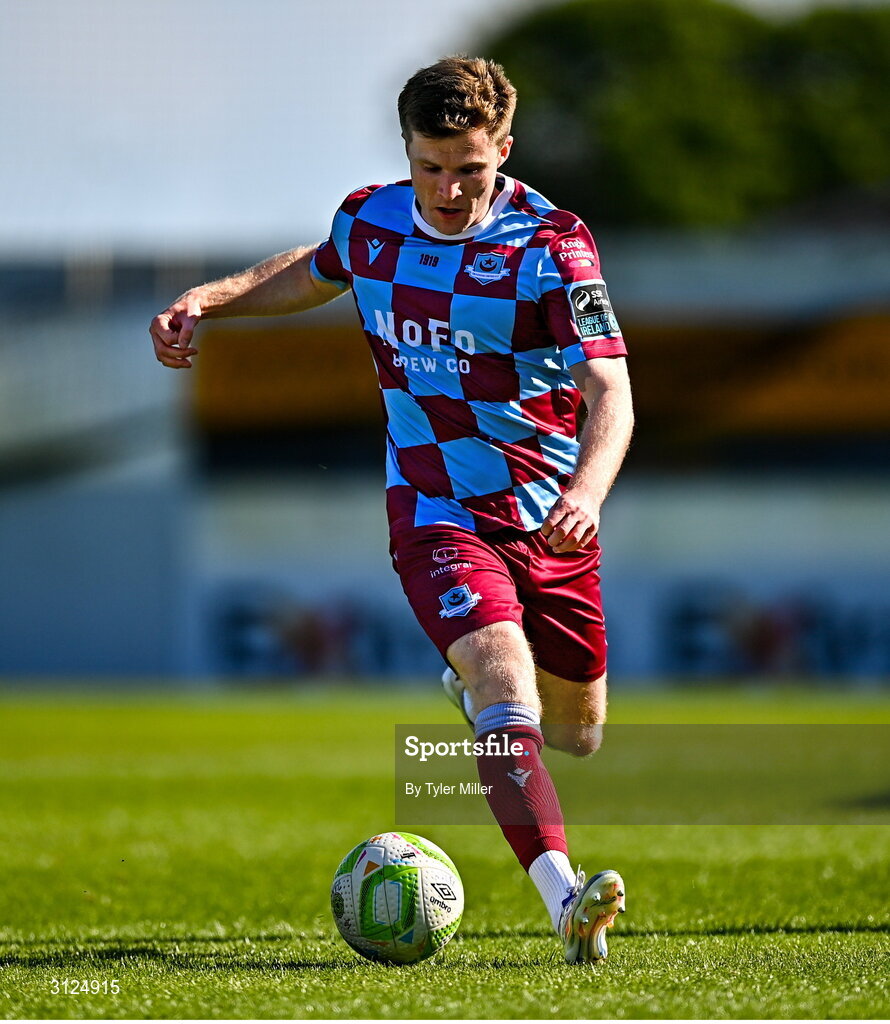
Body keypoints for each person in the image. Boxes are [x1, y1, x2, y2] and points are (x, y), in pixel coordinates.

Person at [150, 56, 632, 964]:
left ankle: (483, 703)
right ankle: (566, 901)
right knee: (503, 682)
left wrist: (585, 495)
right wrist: (209, 300)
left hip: (548, 514)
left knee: (579, 734)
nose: (448, 190)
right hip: (435, 507)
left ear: (505, 153)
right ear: (406, 152)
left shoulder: (553, 245)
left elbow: (611, 385)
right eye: (430, 166)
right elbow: (319, 269)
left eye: (471, 169)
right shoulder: (371, 217)